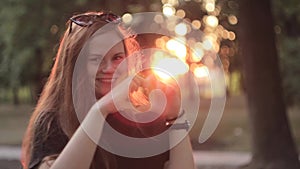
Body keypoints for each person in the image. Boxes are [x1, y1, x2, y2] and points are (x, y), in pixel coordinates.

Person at [21, 11, 195, 169]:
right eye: (96, 59)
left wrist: (176, 115)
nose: (109, 68)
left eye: (117, 57)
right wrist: (101, 110)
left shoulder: (148, 116)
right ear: (75, 67)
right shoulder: (53, 121)